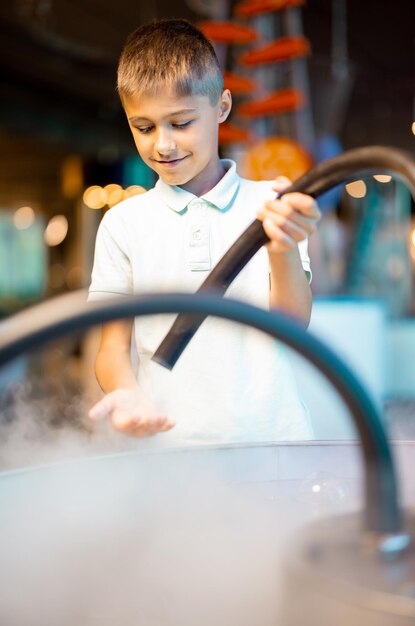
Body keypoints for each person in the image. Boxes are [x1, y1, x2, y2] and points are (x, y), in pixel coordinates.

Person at [87, 18, 321, 444]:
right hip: (169, 453)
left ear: (222, 107)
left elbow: (291, 324)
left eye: (180, 123)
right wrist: (126, 394)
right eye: (144, 127)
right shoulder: (123, 223)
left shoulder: (271, 202)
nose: (163, 145)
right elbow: (112, 348)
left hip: (274, 442)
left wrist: (281, 245)